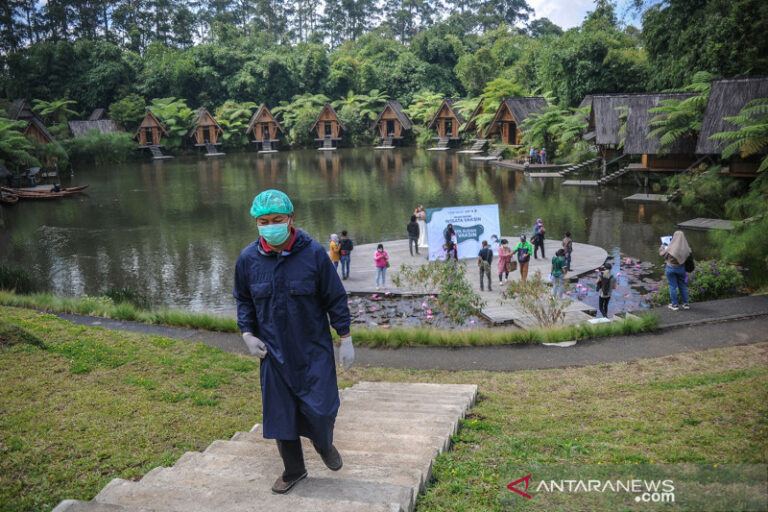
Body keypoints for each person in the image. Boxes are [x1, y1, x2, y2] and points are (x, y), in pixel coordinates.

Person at [233, 189, 353, 495]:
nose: (270, 225)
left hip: (312, 350)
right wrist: (247, 333)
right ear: (256, 222)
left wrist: (345, 337)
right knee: (280, 417)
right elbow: (244, 300)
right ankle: (294, 470)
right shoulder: (248, 260)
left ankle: (323, 443)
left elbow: (335, 297)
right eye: (264, 221)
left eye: (277, 219)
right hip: (272, 353)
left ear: (291, 219)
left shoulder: (313, 254)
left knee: (323, 409)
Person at [660, 230, 692, 311]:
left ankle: (674, 305)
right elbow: (689, 254)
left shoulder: (670, 247)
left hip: (670, 268)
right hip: (681, 268)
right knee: (682, 285)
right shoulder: (686, 247)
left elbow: (662, 254)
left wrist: (662, 247)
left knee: (672, 287)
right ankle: (686, 304)